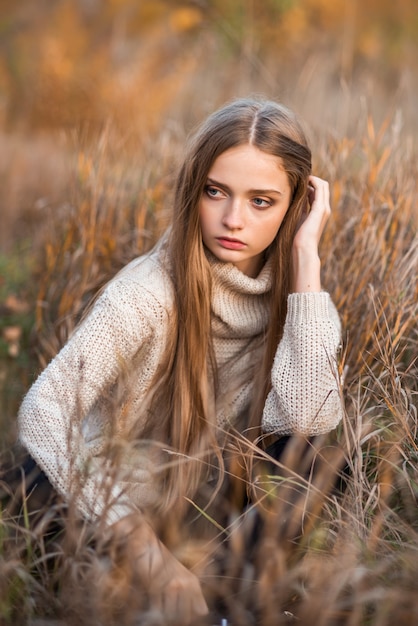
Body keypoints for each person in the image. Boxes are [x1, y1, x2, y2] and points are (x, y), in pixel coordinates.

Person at [15, 97, 343, 623]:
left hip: (203, 510)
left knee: (319, 456)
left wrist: (307, 259)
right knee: (33, 475)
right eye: (216, 192)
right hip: (109, 509)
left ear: (295, 207)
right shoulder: (148, 293)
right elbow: (41, 410)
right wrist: (146, 554)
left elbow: (307, 424)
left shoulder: (300, 305)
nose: (233, 219)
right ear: (195, 190)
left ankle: (235, 604)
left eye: (262, 201)